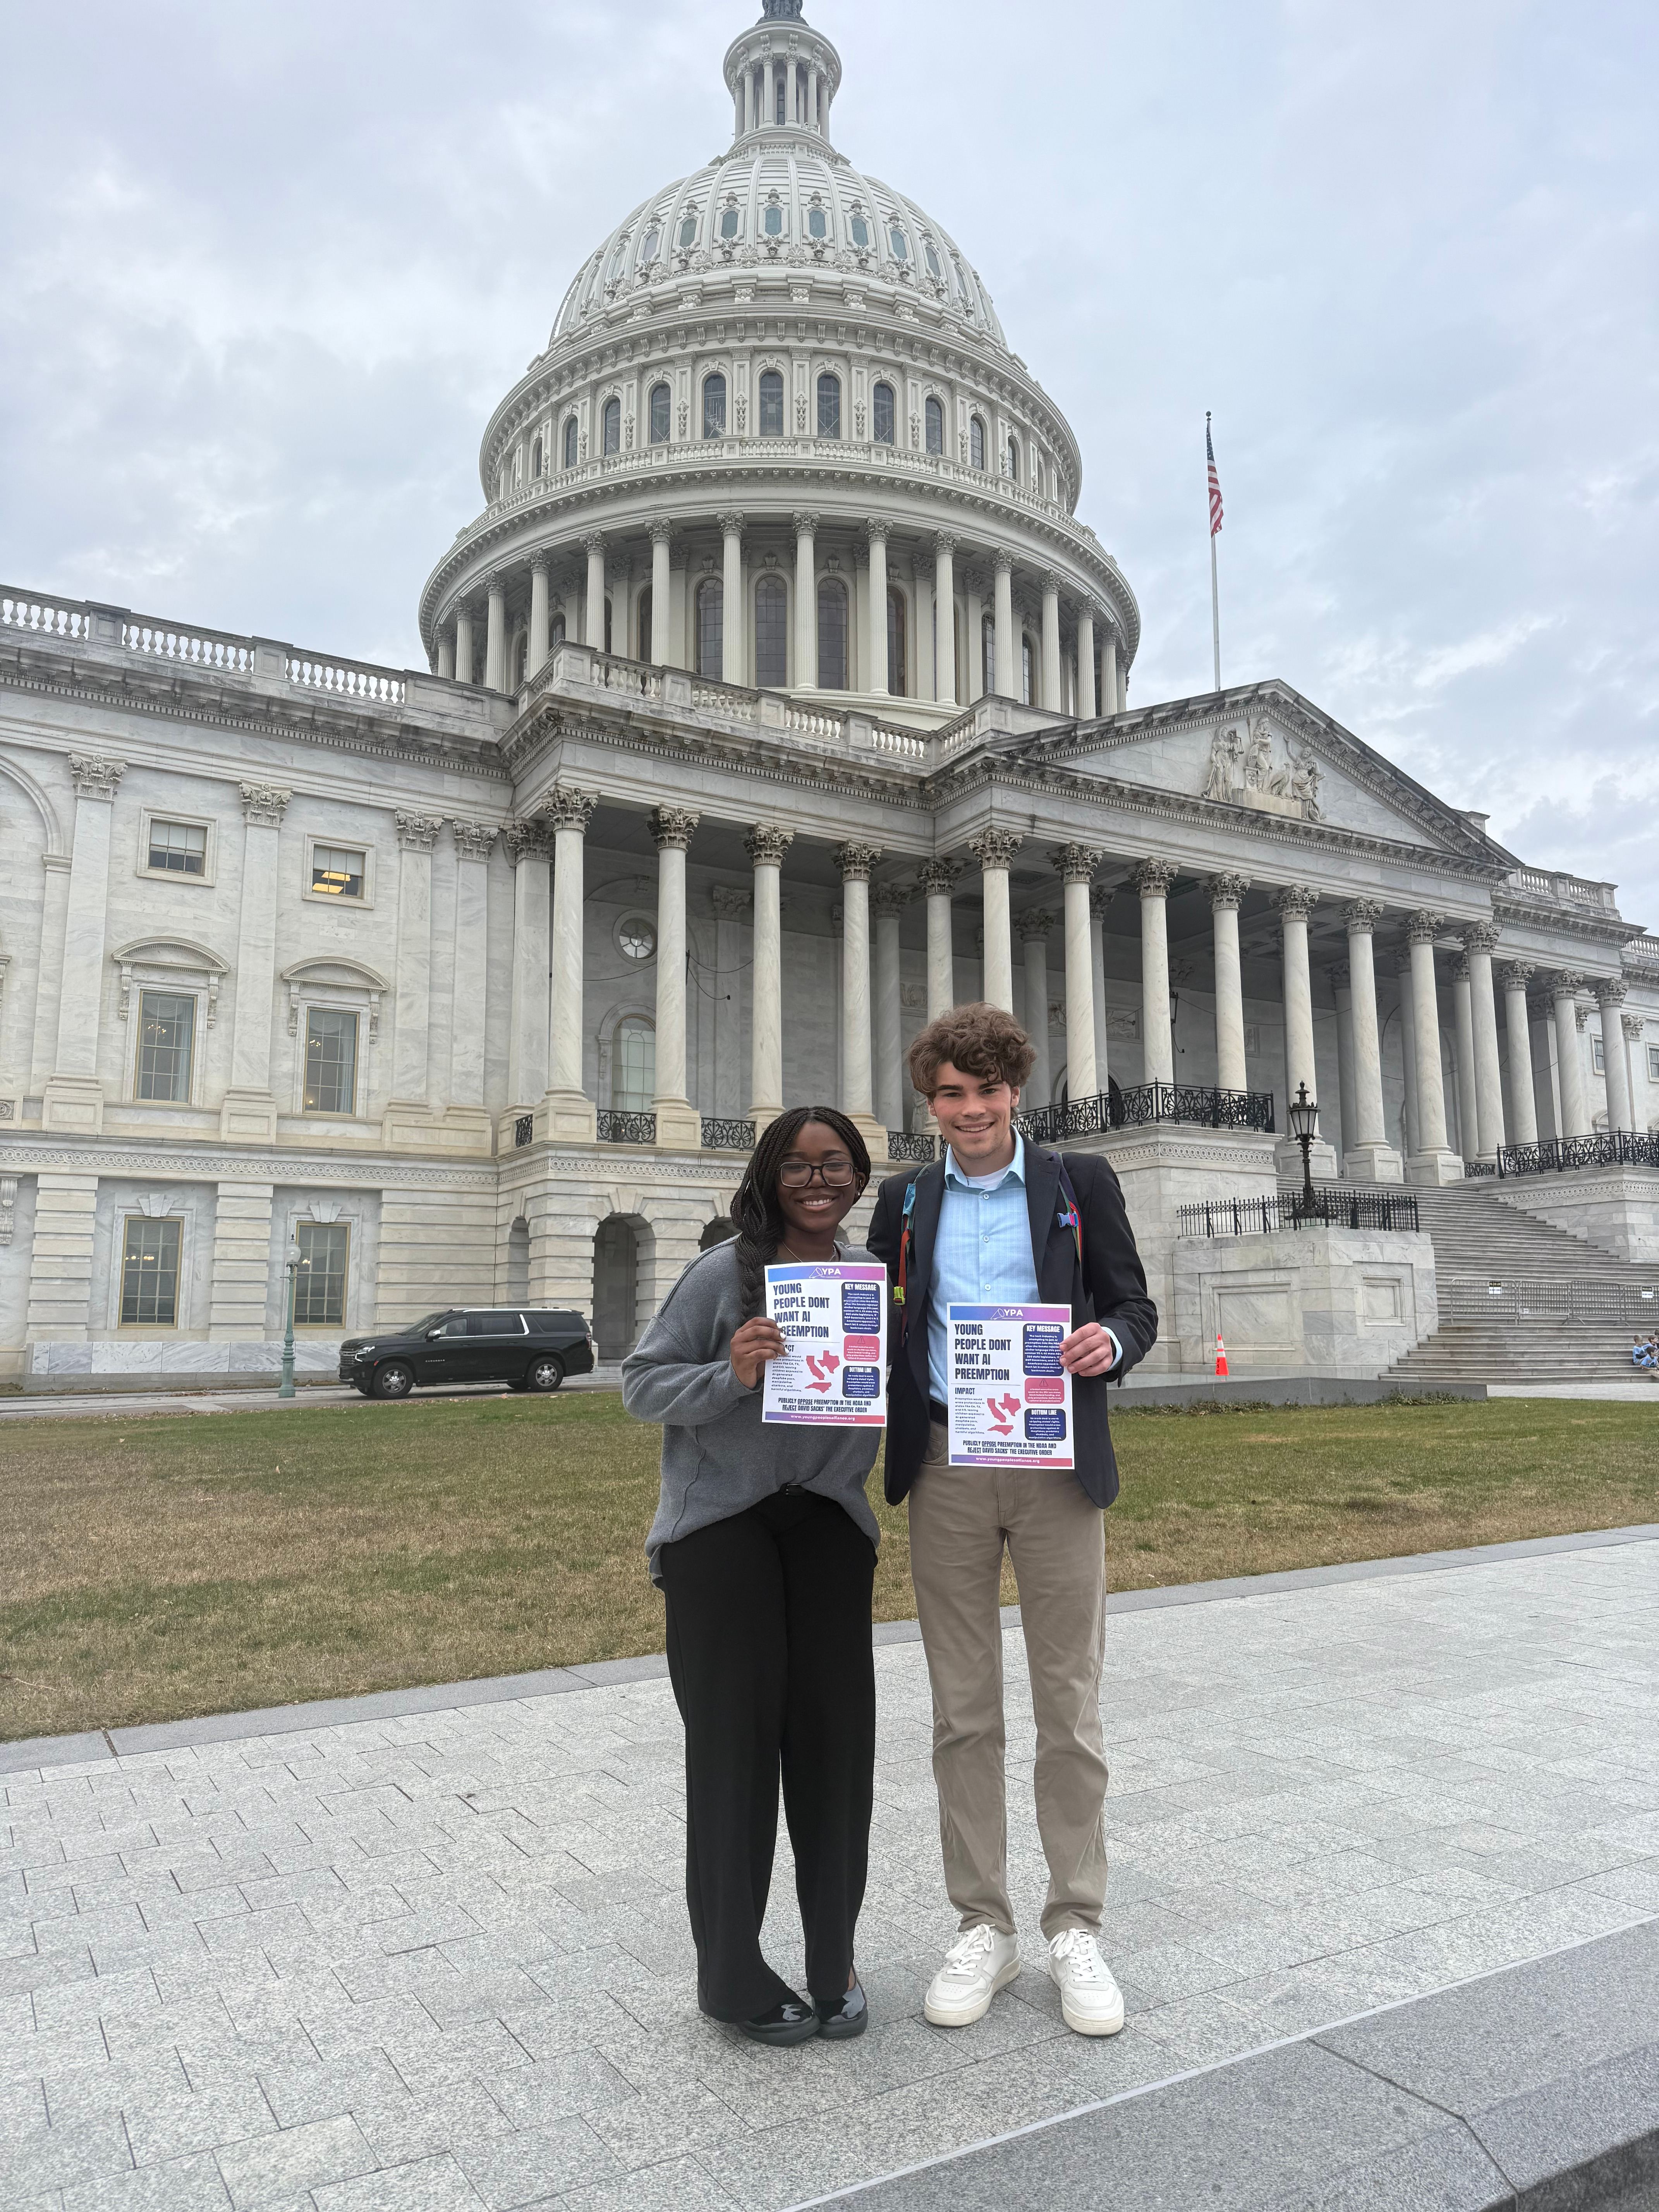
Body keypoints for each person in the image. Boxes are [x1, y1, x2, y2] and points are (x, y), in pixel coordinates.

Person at [867, 1002, 1158, 2039]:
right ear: (930, 1101)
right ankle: (980, 1923)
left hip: (1051, 1468)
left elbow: (1133, 1307)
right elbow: (884, 1330)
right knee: (962, 1710)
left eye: (986, 1092)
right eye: (950, 1094)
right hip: (946, 1462)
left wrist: (1106, 1349)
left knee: (1067, 1704)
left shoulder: (1077, 1185)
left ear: (1014, 1094)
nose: (970, 1110)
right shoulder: (903, 1202)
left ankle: (1073, 1924)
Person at [622, 1107, 881, 2047]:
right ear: (770, 1178)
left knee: (836, 1747)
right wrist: (730, 1375)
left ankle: (833, 1959)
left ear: (857, 1177)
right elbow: (642, 1384)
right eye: (800, 1167)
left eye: (837, 1165)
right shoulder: (720, 1271)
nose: (819, 1181)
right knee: (734, 1750)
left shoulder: (867, 1282)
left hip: (827, 1522)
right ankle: (731, 1974)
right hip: (720, 1529)